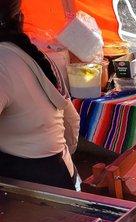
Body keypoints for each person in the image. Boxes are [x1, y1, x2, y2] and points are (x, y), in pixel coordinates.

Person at [0, 0, 80, 190]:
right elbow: (71, 121)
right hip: (62, 173)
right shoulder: (35, 56)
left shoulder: (2, 62)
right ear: (20, 18)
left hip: (32, 187)